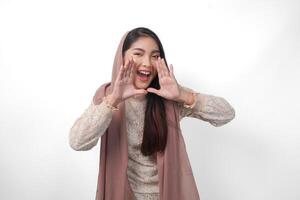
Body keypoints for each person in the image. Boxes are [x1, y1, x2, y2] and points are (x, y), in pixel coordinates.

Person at [69, 27, 235, 200]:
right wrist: (114, 99)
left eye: (155, 56)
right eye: (138, 53)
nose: (147, 63)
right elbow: (77, 142)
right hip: (123, 194)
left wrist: (181, 95)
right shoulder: (108, 95)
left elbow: (226, 114)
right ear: (122, 57)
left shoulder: (168, 94)